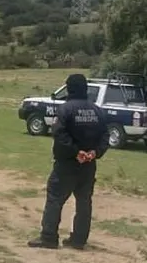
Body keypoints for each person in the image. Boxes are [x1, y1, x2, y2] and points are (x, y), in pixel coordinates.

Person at [28, 73, 110, 250]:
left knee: (55, 199)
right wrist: (94, 153)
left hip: (67, 164)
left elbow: (59, 134)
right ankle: (79, 240)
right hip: (89, 165)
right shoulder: (98, 111)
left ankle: (49, 237)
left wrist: (76, 151)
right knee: (84, 202)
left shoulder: (65, 109)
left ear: (69, 88)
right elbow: (105, 136)